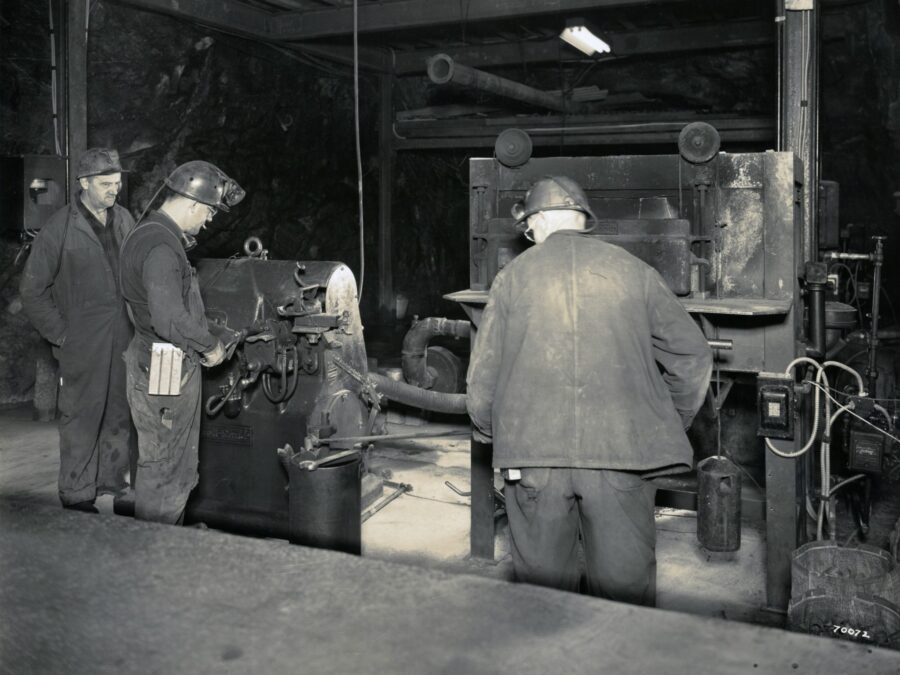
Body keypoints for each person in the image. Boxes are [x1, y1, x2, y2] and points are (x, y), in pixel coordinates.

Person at [466, 175, 712, 606]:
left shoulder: (511, 278)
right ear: (581, 220)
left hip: (533, 458)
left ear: (539, 221)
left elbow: (481, 380)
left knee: (542, 595)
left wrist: (493, 433)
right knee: (623, 593)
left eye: (529, 228)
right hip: (622, 454)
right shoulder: (634, 271)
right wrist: (664, 421)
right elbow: (692, 356)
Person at [119, 160, 245, 524]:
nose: (208, 221)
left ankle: (163, 544)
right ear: (192, 204)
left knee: (167, 463)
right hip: (165, 366)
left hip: (154, 358)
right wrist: (210, 346)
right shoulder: (161, 246)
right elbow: (169, 318)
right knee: (166, 468)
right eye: (208, 212)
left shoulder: (148, 233)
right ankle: (158, 557)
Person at [20, 147, 136, 513]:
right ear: (84, 184)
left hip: (123, 337)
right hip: (82, 342)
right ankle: (77, 493)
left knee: (120, 411)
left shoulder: (124, 219)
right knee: (81, 416)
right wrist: (62, 335)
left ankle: (114, 483)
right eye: (105, 184)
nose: (113, 191)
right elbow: (31, 291)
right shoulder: (59, 228)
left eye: (117, 183)